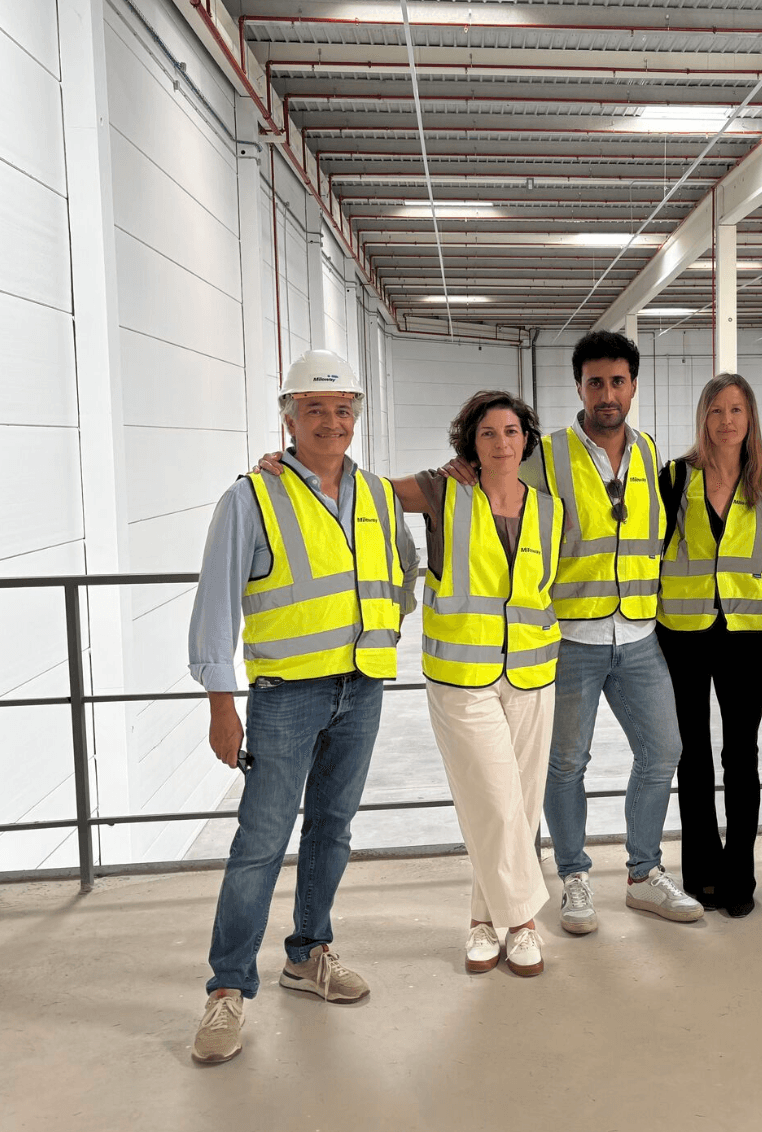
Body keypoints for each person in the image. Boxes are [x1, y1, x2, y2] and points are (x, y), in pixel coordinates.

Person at [186, 350, 417, 1064]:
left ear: (355, 416)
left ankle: (308, 952)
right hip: (286, 692)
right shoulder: (251, 496)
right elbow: (216, 605)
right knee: (259, 842)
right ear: (289, 417)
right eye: (315, 408)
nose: (332, 420)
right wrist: (221, 703)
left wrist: (383, 630)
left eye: (343, 408)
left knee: (332, 829)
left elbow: (402, 574)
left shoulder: (378, 494)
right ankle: (226, 989)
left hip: (362, 684)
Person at [498, 331, 703, 930]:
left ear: (633, 386)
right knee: (565, 763)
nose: (607, 393)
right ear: (579, 387)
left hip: (639, 635)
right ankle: (575, 877)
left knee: (663, 750)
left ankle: (643, 874)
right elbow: (494, 485)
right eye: (595, 383)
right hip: (570, 639)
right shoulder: (547, 453)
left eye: (617, 382)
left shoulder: (648, 454)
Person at [400, 391, 563, 976]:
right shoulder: (444, 492)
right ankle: (522, 922)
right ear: (470, 441)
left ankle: (480, 919)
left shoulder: (549, 508)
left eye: (512, 431)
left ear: (527, 440)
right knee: (493, 799)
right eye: (489, 433)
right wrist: (289, 458)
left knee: (516, 807)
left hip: (533, 673)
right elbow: (361, 490)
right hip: (460, 675)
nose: (502, 443)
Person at [657, 374, 762, 918]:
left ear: (750, 418)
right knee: (693, 756)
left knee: (742, 757)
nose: (727, 421)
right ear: (702, 419)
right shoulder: (674, 477)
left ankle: (740, 874)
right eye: (716, 411)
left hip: (745, 633)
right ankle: (700, 871)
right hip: (680, 631)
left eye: (737, 410)